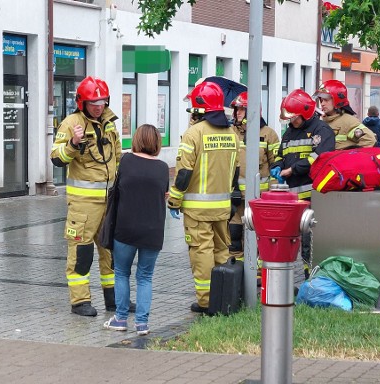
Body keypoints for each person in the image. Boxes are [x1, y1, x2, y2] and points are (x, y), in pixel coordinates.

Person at [50, 76, 121, 317]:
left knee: (110, 251)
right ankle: (80, 302)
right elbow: (56, 158)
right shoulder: (71, 123)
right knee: (81, 252)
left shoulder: (110, 122)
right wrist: (73, 143)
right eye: (93, 102)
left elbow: (117, 156)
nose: (99, 106)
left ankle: (114, 300)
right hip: (84, 204)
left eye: (102, 101)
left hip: (109, 199)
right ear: (82, 102)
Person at [168, 81, 240, 314]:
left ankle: (206, 300)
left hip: (197, 211)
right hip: (222, 207)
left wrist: (174, 201)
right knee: (221, 251)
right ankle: (224, 296)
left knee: (201, 252)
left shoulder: (193, 134)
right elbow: (235, 171)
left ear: (200, 107)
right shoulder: (232, 133)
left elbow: (184, 173)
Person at [102, 124, 169, 336]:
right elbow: (164, 193)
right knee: (145, 276)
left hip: (125, 229)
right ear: (157, 142)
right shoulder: (163, 168)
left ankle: (120, 319)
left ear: (137, 140)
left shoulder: (127, 162)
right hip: (153, 230)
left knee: (121, 273)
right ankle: (142, 324)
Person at [270, 89, 335, 278]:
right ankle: (283, 276)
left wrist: (291, 170)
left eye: (294, 117)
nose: (291, 121)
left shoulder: (321, 131)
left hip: (312, 196)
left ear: (305, 114)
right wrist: (277, 165)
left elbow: (317, 158)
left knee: (309, 241)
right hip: (291, 198)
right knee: (287, 239)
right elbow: (280, 153)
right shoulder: (290, 132)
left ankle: (310, 277)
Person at [228, 92, 280, 262]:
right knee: (234, 233)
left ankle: (257, 266)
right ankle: (237, 265)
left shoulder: (268, 134)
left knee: (258, 232)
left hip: (259, 196)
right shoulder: (230, 132)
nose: (238, 113)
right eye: (236, 110)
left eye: (242, 109)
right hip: (235, 195)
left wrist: (272, 194)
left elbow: (276, 163)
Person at [314, 80, 376, 149]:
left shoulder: (348, 121)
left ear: (337, 100)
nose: (322, 104)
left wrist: (350, 156)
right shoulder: (323, 121)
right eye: (321, 100)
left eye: (326, 100)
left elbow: (369, 139)